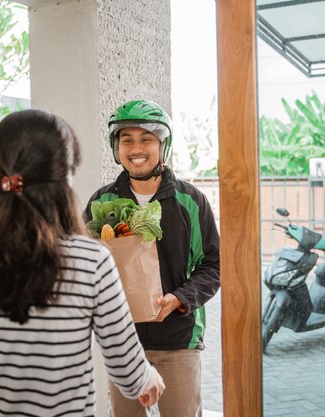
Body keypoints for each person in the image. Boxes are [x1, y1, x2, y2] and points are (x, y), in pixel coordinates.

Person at [0, 109, 164, 417]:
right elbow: (128, 371)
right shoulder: (92, 262)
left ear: (2, 171)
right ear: (66, 177)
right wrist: (150, 379)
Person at [84, 100, 220, 417]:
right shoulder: (101, 201)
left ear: (163, 144)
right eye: (127, 139)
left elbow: (213, 266)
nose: (136, 148)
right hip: (122, 342)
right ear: (116, 147)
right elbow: (86, 265)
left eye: (146, 138)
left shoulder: (190, 201)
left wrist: (179, 298)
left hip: (179, 341)